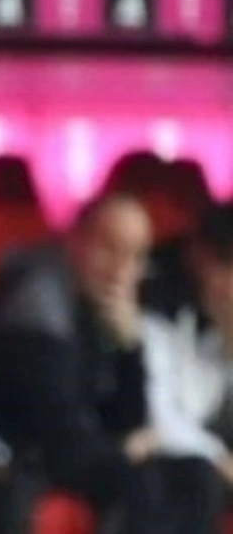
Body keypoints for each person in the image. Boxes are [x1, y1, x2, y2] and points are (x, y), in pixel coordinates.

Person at [0, 194, 161, 533]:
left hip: (34, 450)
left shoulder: (100, 310)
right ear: (74, 241)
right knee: (131, 482)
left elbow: (126, 422)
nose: (120, 270)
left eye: (135, 256)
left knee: (181, 477)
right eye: (109, 248)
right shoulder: (37, 299)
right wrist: (121, 451)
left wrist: (129, 346)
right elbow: (59, 434)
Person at [135, 202, 233, 534]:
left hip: (206, 447)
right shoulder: (159, 303)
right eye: (223, 264)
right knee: (199, 482)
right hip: (175, 457)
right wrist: (218, 457)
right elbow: (166, 413)